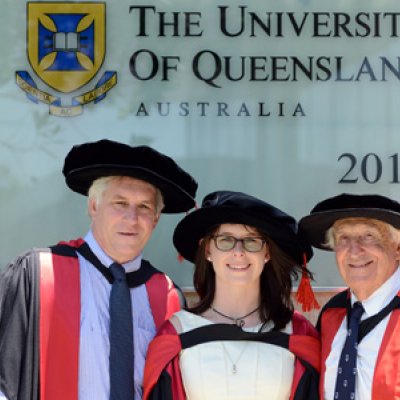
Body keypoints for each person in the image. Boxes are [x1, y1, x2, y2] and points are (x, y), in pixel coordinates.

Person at [0, 139, 198, 400]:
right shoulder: (37, 274)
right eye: (120, 203)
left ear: (156, 218)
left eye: (144, 207)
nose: (132, 218)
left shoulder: (167, 296)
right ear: (93, 206)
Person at [143, 190, 321, 400]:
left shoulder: (296, 333)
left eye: (252, 241)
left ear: (267, 253)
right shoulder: (178, 333)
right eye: (225, 240)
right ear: (208, 250)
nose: (238, 251)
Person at [299, 193, 400, 400]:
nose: (354, 251)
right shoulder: (332, 314)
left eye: (369, 236)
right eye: (344, 238)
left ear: (397, 248)